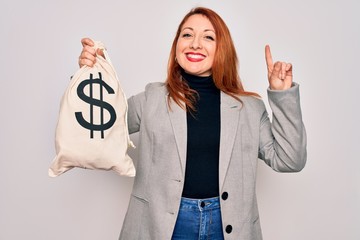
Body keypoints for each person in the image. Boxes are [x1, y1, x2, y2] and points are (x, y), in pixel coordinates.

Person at [78, 7, 306, 240]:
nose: (195, 44)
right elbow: (96, 129)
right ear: (177, 45)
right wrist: (94, 75)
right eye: (187, 35)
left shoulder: (249, 108)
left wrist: (283, 96)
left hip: (227, 227)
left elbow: (289, 160)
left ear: (222, 48)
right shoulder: (151, 98)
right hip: (161, 226)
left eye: (208, 37)